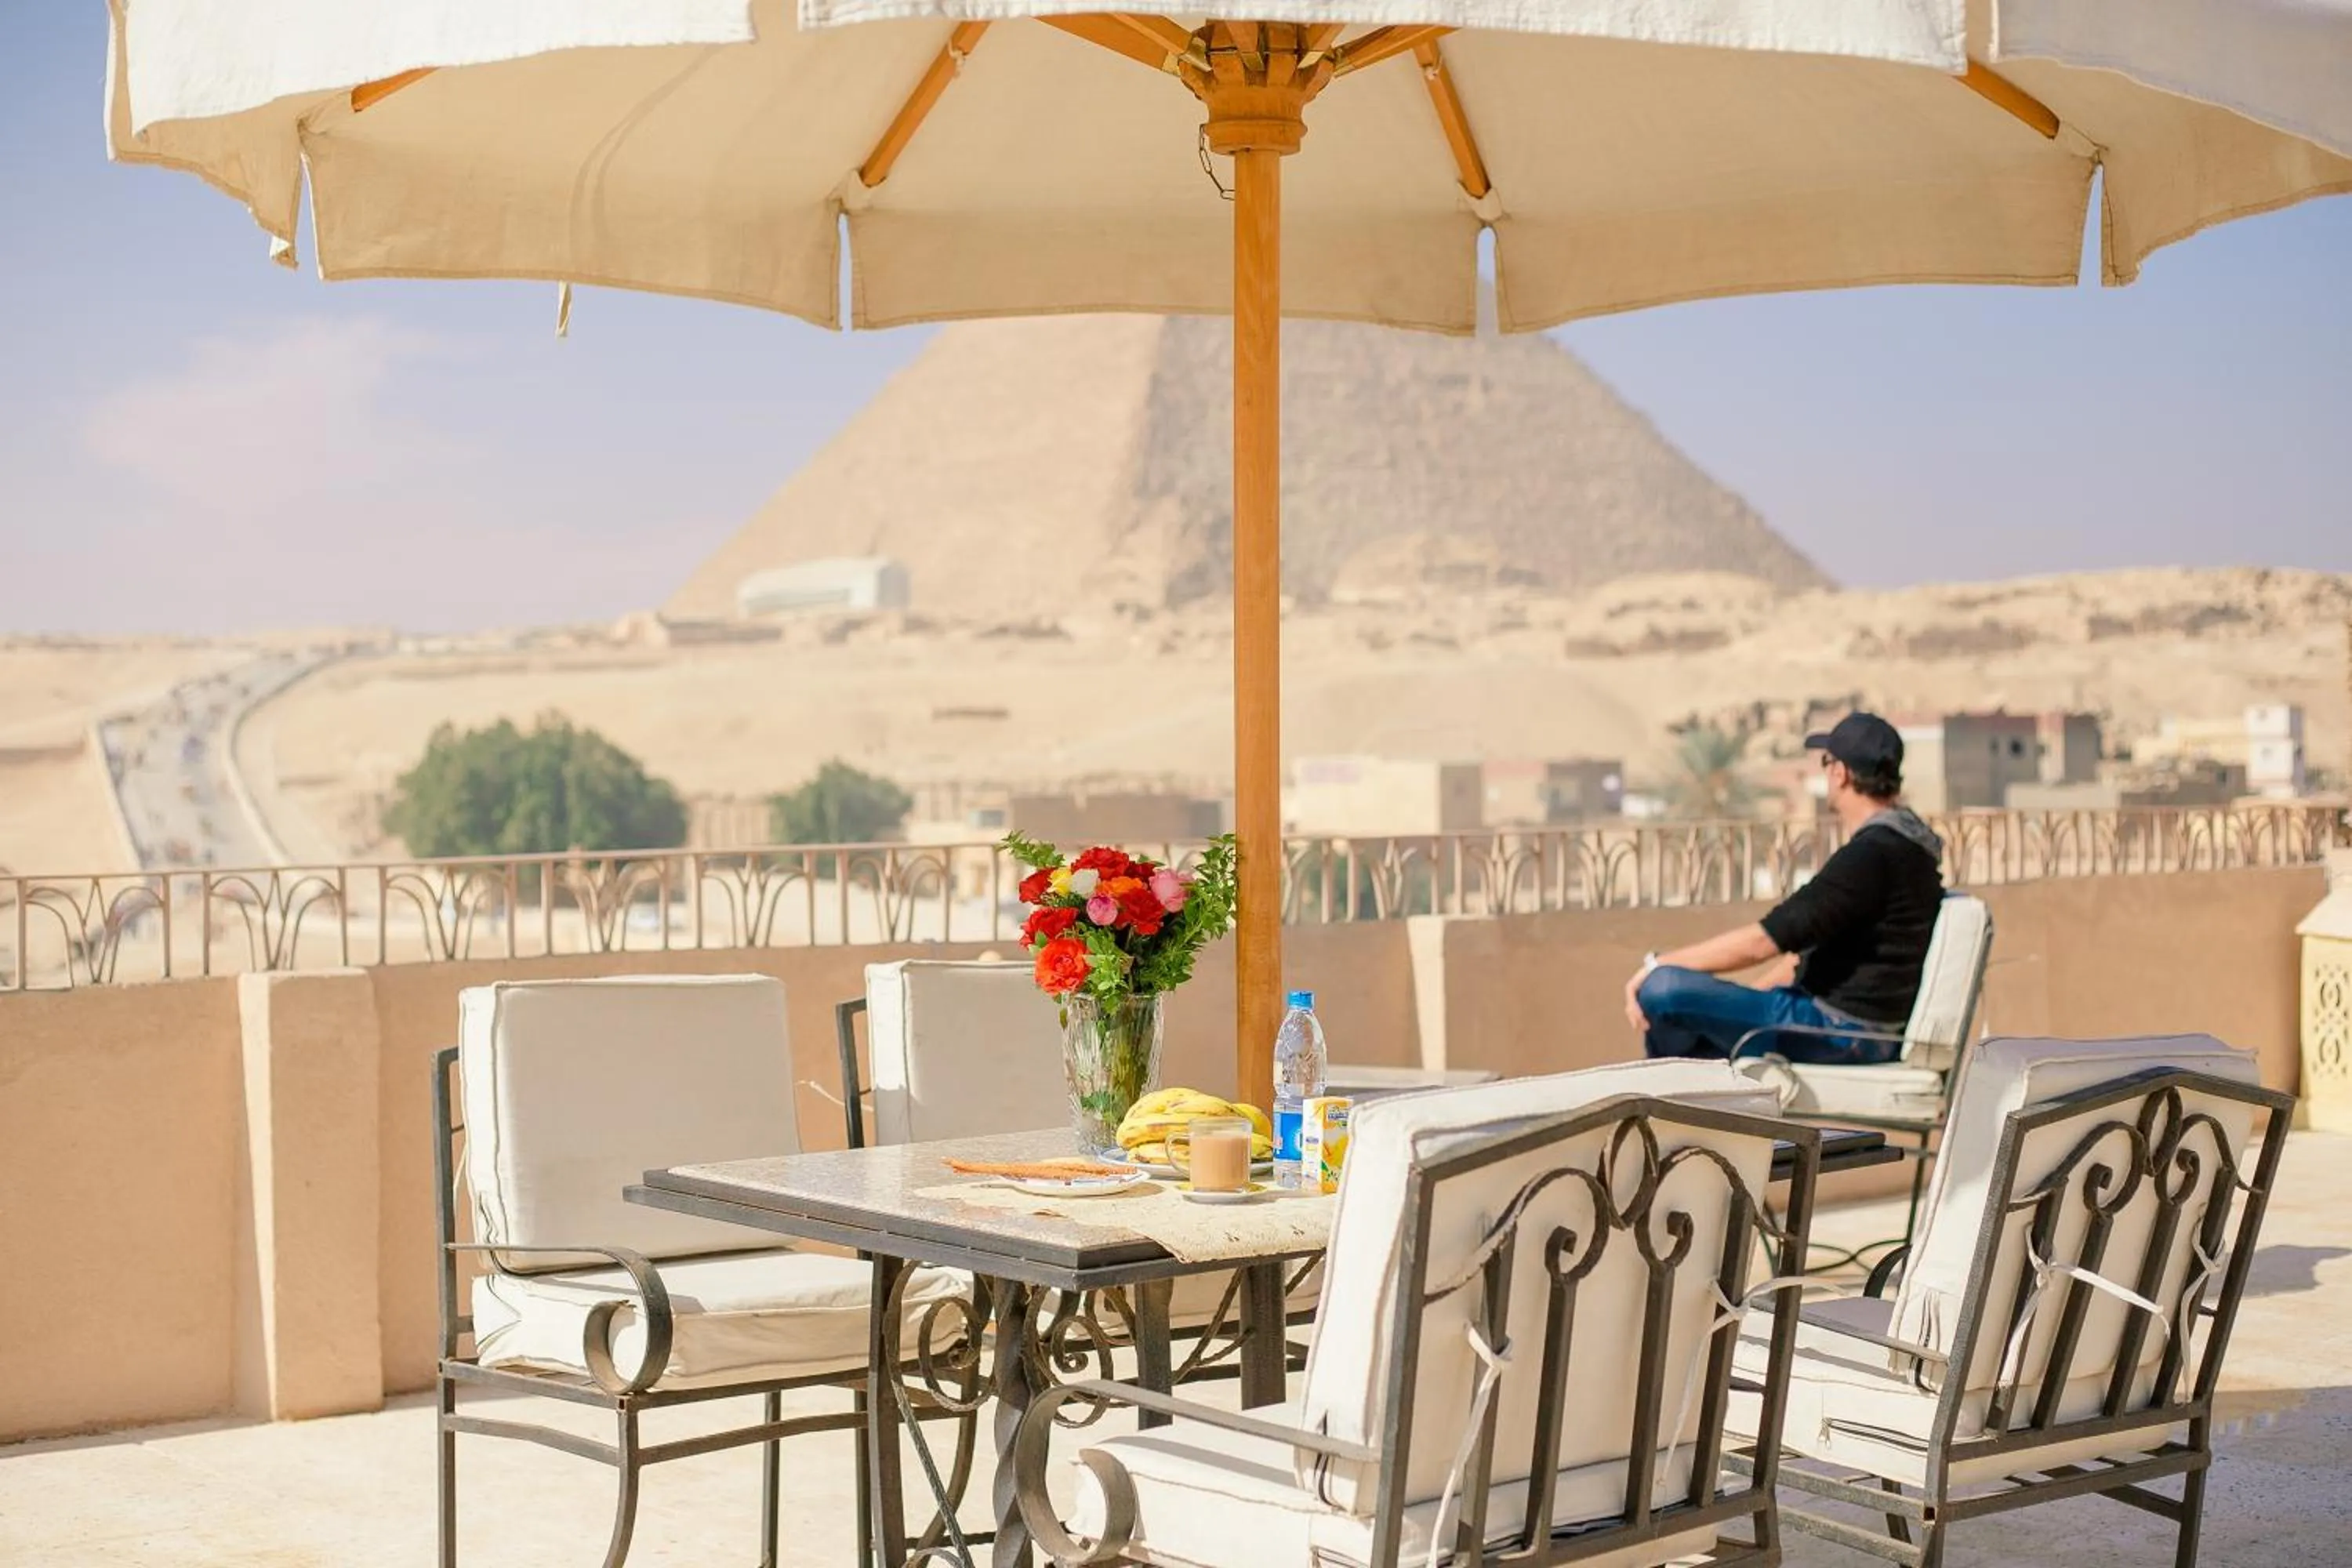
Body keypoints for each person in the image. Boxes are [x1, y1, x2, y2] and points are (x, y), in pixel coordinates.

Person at [1624, 713, 1944, 1063]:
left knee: (1663, 990)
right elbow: (1801, 957)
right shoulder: (1909, 847)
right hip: (1857, 1029)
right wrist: (1746, 1004)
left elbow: (1765, 941)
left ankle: (1682, 1087)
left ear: (1840, 774)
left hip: (1839, 1033)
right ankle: (1702, 1077)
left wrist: (1656, 965)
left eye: (1827, 763)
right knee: (1691, 1011)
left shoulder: (1871, 855)